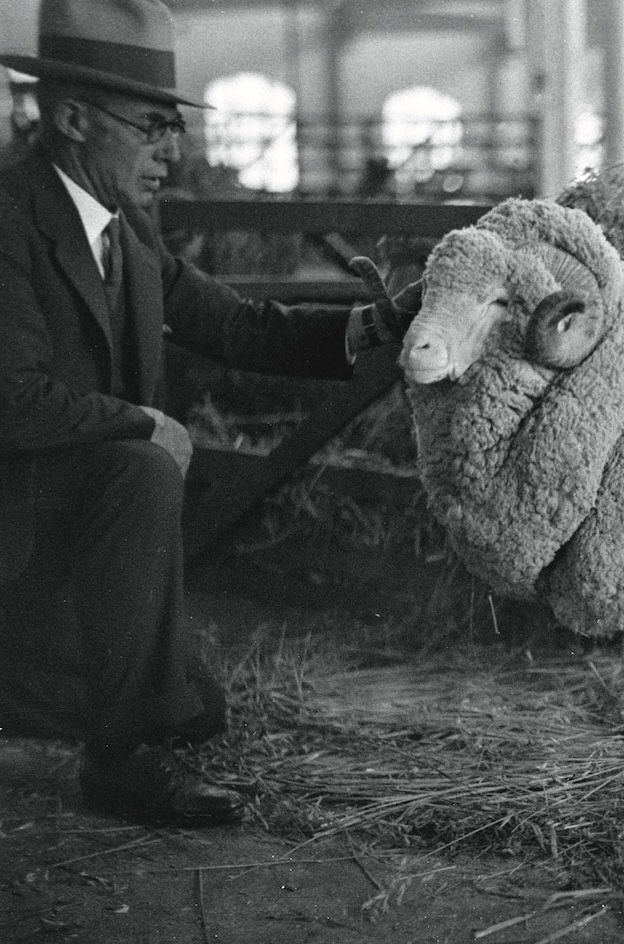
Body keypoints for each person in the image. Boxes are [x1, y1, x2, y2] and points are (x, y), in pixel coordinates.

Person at [0, 0, 415, 826]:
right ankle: (119, 761)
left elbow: (231, 323)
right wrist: (144, 424)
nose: (173, 149)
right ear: (75, 117)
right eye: (153, 125)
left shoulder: (127, 226)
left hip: (81, 523)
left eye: (175, 127)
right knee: (141, 464)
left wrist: (374, 328)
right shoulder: (7, 220)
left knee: (201, 707)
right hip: (20, 519)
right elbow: (9, 395)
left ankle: (94, 702)